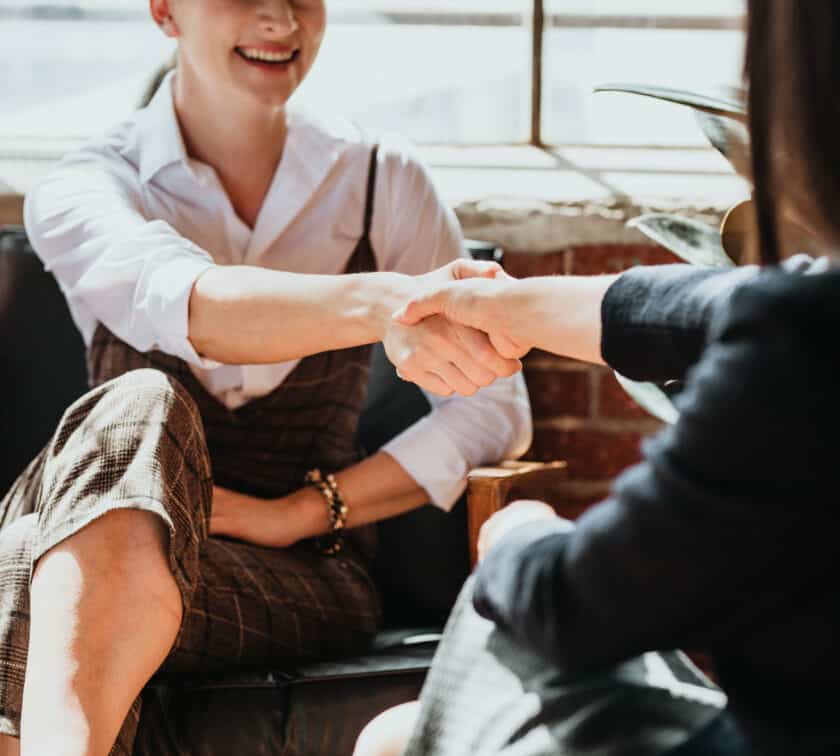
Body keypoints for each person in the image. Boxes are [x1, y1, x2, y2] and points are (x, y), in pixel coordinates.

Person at [0, 1, 532, 754]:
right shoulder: (86, 187)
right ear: (163, 11)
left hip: (296, 573)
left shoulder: (383, 180)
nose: (279, 15)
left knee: (33, 571)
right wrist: (387, 304)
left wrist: (295, 514)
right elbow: (197, 306)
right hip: (105, 530)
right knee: (136, 409)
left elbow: (492, 412)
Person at [356, 2, 840, 755]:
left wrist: (515, 533)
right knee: (397, 735)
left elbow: (572, 607)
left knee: (438, 692)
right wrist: (490, 302)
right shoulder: (805, 315)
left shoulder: (804, 347)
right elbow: (686, 309)